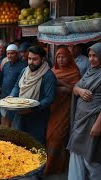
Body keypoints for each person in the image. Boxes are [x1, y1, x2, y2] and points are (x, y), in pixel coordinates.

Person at [43, 47, 81, 175]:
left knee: (58, 137)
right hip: (52, 109)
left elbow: (76, 90)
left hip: (65, 110)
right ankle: (51, 166)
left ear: (69, 58)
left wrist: (62, 84)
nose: (61, 59)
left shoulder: (74, 72)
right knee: (49, 136)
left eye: (64, 57)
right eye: (58, 57)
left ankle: (54, 167)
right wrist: (59, 89)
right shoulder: (52, 71)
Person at [67, 42, 101, 180]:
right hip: (80, 121)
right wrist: (80, 91)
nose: (91, 59)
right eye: (90, 55)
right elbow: (75, 87)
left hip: (93, 122)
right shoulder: (90, 71)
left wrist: (98, 125)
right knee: (76, 153)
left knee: (91, 157)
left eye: (95, 56)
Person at [9, 46, 57, 144]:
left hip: (37, 118)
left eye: (34, 59)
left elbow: (49, 98)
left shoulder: (48, 76)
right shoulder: (24, 71)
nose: (31, 62)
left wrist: (31, 108)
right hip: (20, 114)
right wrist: (11, 96)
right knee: (17, 144)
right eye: (29, 59)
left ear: (43, 59)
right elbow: (17, 86)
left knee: (34, 146)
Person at [0, 44, 27, 127]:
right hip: (4, 97)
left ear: (17, 54)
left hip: (16, 98)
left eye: (12, 53)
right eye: (8, 53)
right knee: (4, 119)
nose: (9, 56)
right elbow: (1, 80)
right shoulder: (6, 65)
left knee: (15, 122)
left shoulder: (23, 65)